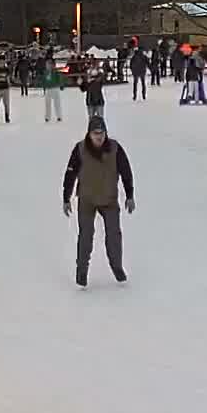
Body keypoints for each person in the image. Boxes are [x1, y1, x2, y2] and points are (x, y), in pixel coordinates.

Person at [62, 116, 135, 290]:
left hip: (109, 200)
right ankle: (81, 273)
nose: (99, 137)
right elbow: (70, 174)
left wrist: (130, 195)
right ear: (89, 134)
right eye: (95, 133)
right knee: (86, 236)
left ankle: (117, 267)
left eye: (101, 133)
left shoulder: (115, 149)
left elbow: (126, 171)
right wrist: (66, 198)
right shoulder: (80, 149)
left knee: (114, 235)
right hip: (87, 200)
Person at [40, 57, 66, 122]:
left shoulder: (55, 71)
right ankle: (47, 117)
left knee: (57, 103)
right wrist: (43, 85)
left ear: (51, 65)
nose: (47, 66)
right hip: (48, 89)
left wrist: (61, 85)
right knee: (47, 104)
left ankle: (59, 116)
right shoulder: (45, 72)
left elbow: (59, 78)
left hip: (55, 88)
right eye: (46, 64)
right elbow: (43, 80)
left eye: (48, 64)